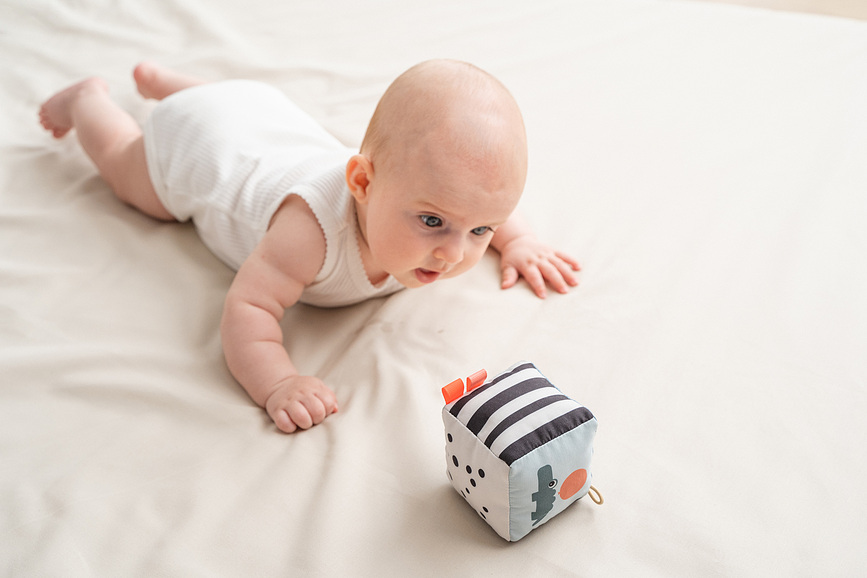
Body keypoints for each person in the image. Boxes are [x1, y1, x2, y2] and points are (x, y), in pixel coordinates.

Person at [38, 59, 581, 433]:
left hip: (256, 111)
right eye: (433, 221)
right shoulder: (310, 236)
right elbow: (247, 306)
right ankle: (90, 102)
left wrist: (520, 241)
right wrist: (278, 383)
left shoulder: (426, 195)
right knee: (130, 177)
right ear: (362, 183)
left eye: (482, 230)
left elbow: (482, 205)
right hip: (199, 146)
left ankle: (173, 83)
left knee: (242, 111)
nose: (456, 253)